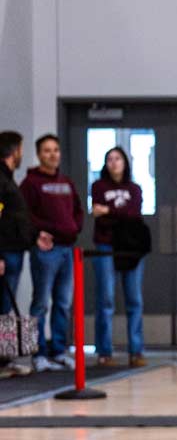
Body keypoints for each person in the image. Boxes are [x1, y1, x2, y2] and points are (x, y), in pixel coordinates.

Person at [21, 134, 82, 372]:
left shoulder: (67, 182)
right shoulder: (30, 183)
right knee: (40, 303)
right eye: (47, 150)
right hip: (45, 250)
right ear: (38, 154)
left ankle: (59, 350)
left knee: (63, 302)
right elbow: (24, 214)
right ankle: (36, 354)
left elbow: (77, 210)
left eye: (56, 150)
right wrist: (42, 231)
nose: (52, 154)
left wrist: (75, 228)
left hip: (67, 249)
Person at [90, 147, 147, 367]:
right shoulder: (98, 186)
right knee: (106, 299)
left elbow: (134, 214)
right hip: (105, 246)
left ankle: (136, 350)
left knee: (134, 300)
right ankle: (104, 352)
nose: (114, 163)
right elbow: (98, 215)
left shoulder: (135, 188)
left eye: (118, 159)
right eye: (109, 159)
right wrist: (110, 214)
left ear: (125, 162)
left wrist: (109, 211)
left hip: (131, 247)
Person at [0, 132, 35, 378]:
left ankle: (5, 358)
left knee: (4, 307)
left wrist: (34, 236)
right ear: (14, 151)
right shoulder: (1, 180)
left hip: (14, 250)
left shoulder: (8, 179)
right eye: (21, 149)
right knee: (2, 307)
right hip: (5, 253)